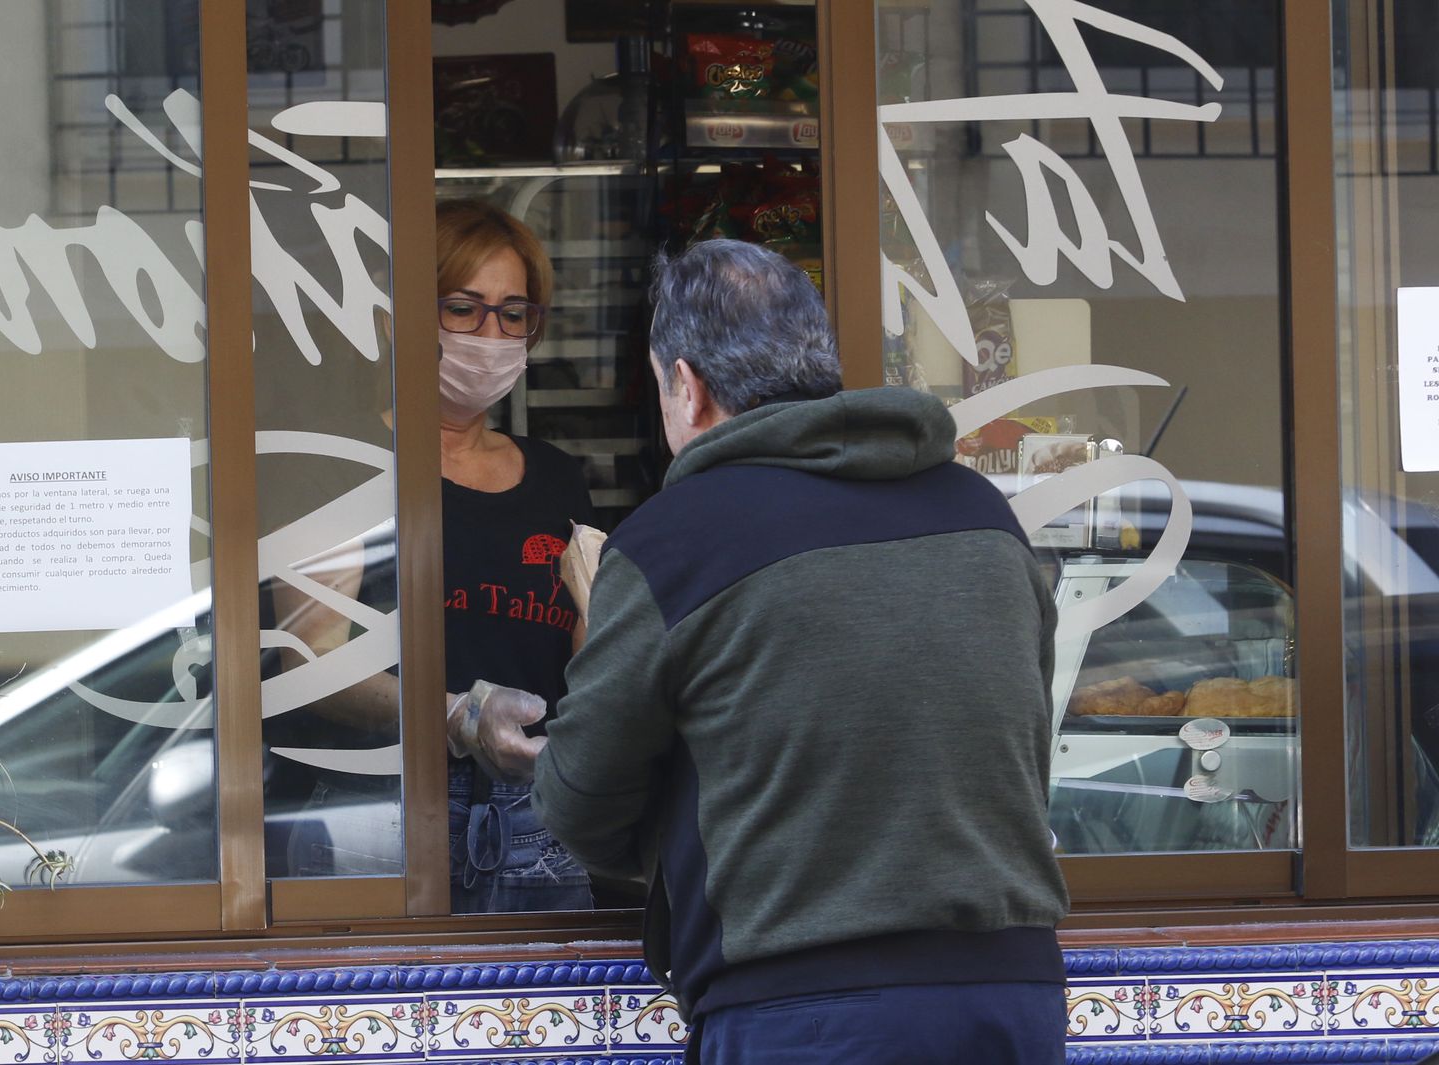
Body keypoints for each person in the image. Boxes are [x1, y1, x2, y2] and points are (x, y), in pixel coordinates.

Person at [531, 239, 1070, 1064]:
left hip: (798, 1008)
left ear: (688, 386)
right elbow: (1024, 739)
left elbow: (579, 799)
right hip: (1012, 996)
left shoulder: (674, 545)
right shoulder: (983, 515)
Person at [271, 198, 594, 913]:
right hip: (383, 811)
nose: (492, 333)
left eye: (514, 313)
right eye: (464, 307)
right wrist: (455, 716)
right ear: (400, 318)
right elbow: (313, 661)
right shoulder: (341, 463)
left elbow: (590, 661)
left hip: (539, 819)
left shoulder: (558, 477)